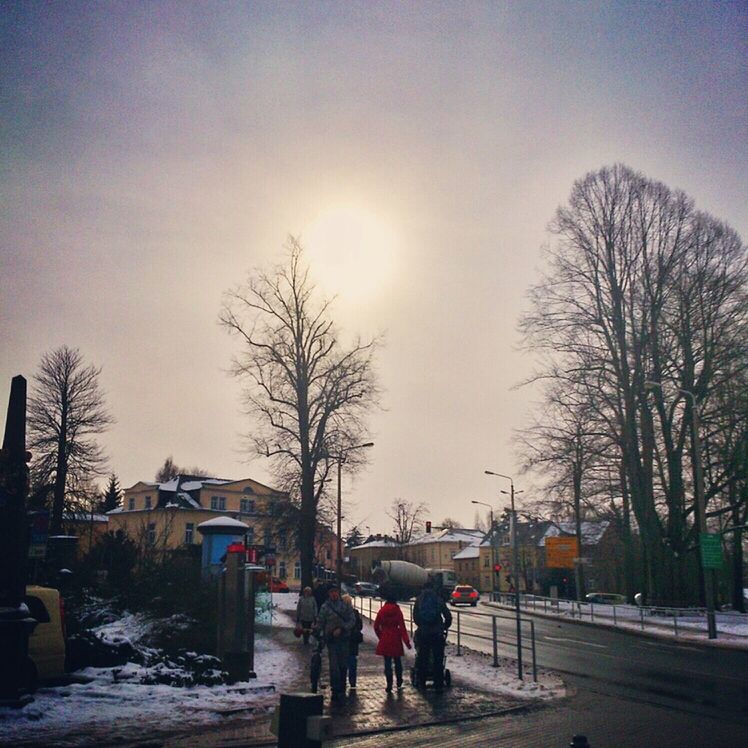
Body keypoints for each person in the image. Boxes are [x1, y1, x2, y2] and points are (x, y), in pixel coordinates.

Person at [316, 584, 355, 701]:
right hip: (331, 641)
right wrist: (318, 631)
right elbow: (320, 622)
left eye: (335, 592)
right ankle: (335, 688)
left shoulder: (345, 606)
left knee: (343, 665)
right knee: (334, 666)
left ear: (338, 593)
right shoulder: (325, 607)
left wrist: (342, 629)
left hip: (344, 639)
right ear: (329, 594)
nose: (334, 594)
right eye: (331, 592)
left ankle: (342, 687)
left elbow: (352, 620)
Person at [413, 580, 452, 691]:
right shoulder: (438, 599)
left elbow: (415, 617)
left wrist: (422, 625)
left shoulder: (419, 599)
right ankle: (438, 684)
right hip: (437, 633)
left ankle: (422, 683)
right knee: (438, 659)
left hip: (424, 634)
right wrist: (444, 626)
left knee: (423, 657)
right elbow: (448, 616)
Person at [373, 590, 411, 693]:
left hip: (385, 638)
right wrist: (407, 642)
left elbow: (376, 626)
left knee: (387, 663)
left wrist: (381, 636)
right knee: (397, 661)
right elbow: (402, 627)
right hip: (395, 638)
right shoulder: (397, 611)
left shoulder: (382, 610)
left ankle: (389, 684)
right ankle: (399, 681)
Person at [342, 593, 363, 692]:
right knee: (352, 662)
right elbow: (360, 626)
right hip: (353, 641)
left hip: (344, 640)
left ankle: (343, 680)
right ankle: (352, 681)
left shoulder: (341, 613)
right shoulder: (355, 612)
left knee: (343, 662)